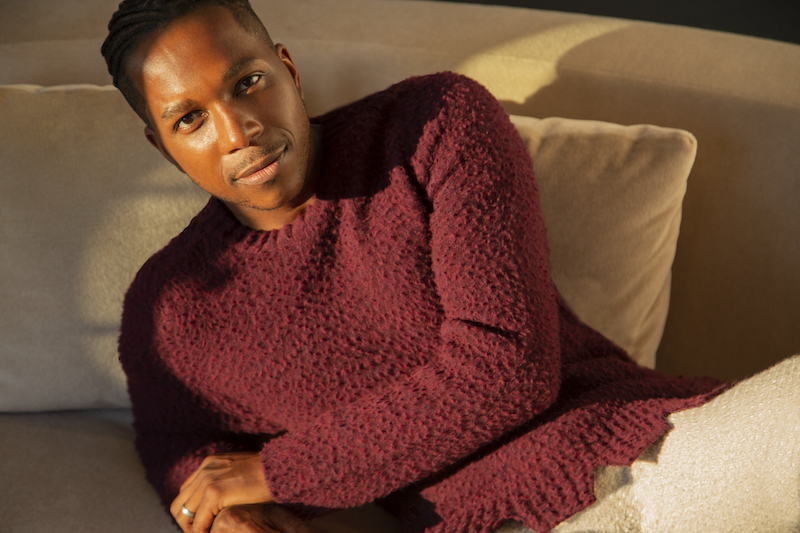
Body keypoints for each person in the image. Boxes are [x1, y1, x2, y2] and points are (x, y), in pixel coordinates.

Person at [101, 1, 799, 533]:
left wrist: (277, 472)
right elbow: (179, 446)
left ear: (287, 67)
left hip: (642, 444)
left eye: (248, 82)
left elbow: (509, 366)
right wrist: (229, 518)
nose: (237, 129)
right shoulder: (172, 308)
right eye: (189, 119)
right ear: (161, 145)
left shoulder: (435, 122)